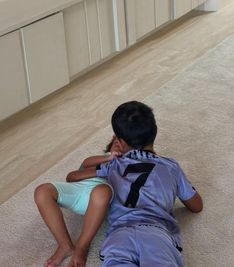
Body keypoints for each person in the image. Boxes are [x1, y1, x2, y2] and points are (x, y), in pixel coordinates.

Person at [67, 100, 203, 267]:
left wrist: (108, 157)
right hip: (157, 234)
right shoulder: (171, 167)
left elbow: (72, 177)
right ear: (155, 131)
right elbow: (196, 205)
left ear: (121, 142)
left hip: (119, 235)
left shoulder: (112, 165)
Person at [34, 137, 122, 267]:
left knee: (101, 191)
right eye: (116, 143)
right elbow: (71, 177)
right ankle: (65, 245)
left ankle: (83, 247)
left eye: (124, 144)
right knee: (42, 191)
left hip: (101, 197)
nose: (120, 147)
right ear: (109, 148)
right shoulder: (100, 160)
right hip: (79, 189)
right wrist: (106, 161)